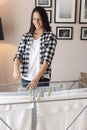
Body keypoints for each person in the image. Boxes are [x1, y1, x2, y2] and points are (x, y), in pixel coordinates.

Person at [13, 6, 57, 89]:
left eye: (39, 19)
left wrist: (36, 79)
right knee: (27, 101)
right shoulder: (26, 36)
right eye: (34, 19)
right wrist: (16, 69)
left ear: (44, 19)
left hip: (42, 79)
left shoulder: (50, 37)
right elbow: (18, 55)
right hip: (26, 78)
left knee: (40, 101)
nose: (36, 21)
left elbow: (47, 61)